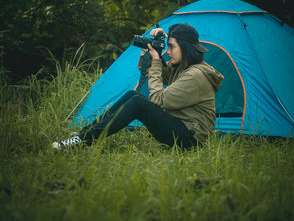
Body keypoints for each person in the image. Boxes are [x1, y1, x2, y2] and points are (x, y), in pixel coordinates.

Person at [52, 23, 224, 150]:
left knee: (138, 104)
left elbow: (158, 100)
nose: (168, 51)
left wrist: (157, 60)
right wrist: (148, 52)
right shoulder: (183, 67)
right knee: (132, 95)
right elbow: (154, 72)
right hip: (181, 127)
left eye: (171, 47)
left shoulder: (195, 75)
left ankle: (84, 140)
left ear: (185, 48)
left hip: (190, 140)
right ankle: (83, 134)